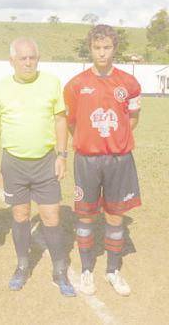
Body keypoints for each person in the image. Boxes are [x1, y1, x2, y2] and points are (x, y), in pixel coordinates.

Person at [0, 37, 75, 297]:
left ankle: (59, 270)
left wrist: (62, 155)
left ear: (38, 58)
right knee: (21, 215)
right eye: (22, 58)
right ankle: (22, 265)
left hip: (46, 161)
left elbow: (60, 120)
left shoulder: (51, 83)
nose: (28, 62)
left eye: (32, 57)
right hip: (14, 162)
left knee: (51, 216)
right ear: (11, 60)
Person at [64, 24, 141, 296]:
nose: (102, 53)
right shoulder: (76, 84)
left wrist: (115, 138)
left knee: (115, 217)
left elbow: (132, 118)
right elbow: (72, 122)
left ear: (114, 48)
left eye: (107, 47)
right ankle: (86, 271)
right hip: (87, 159)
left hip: (119, 159)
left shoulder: (129, 84)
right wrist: (90, 140)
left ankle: (112, 271)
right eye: (97, 47)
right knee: (85, 216)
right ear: (90, 48)